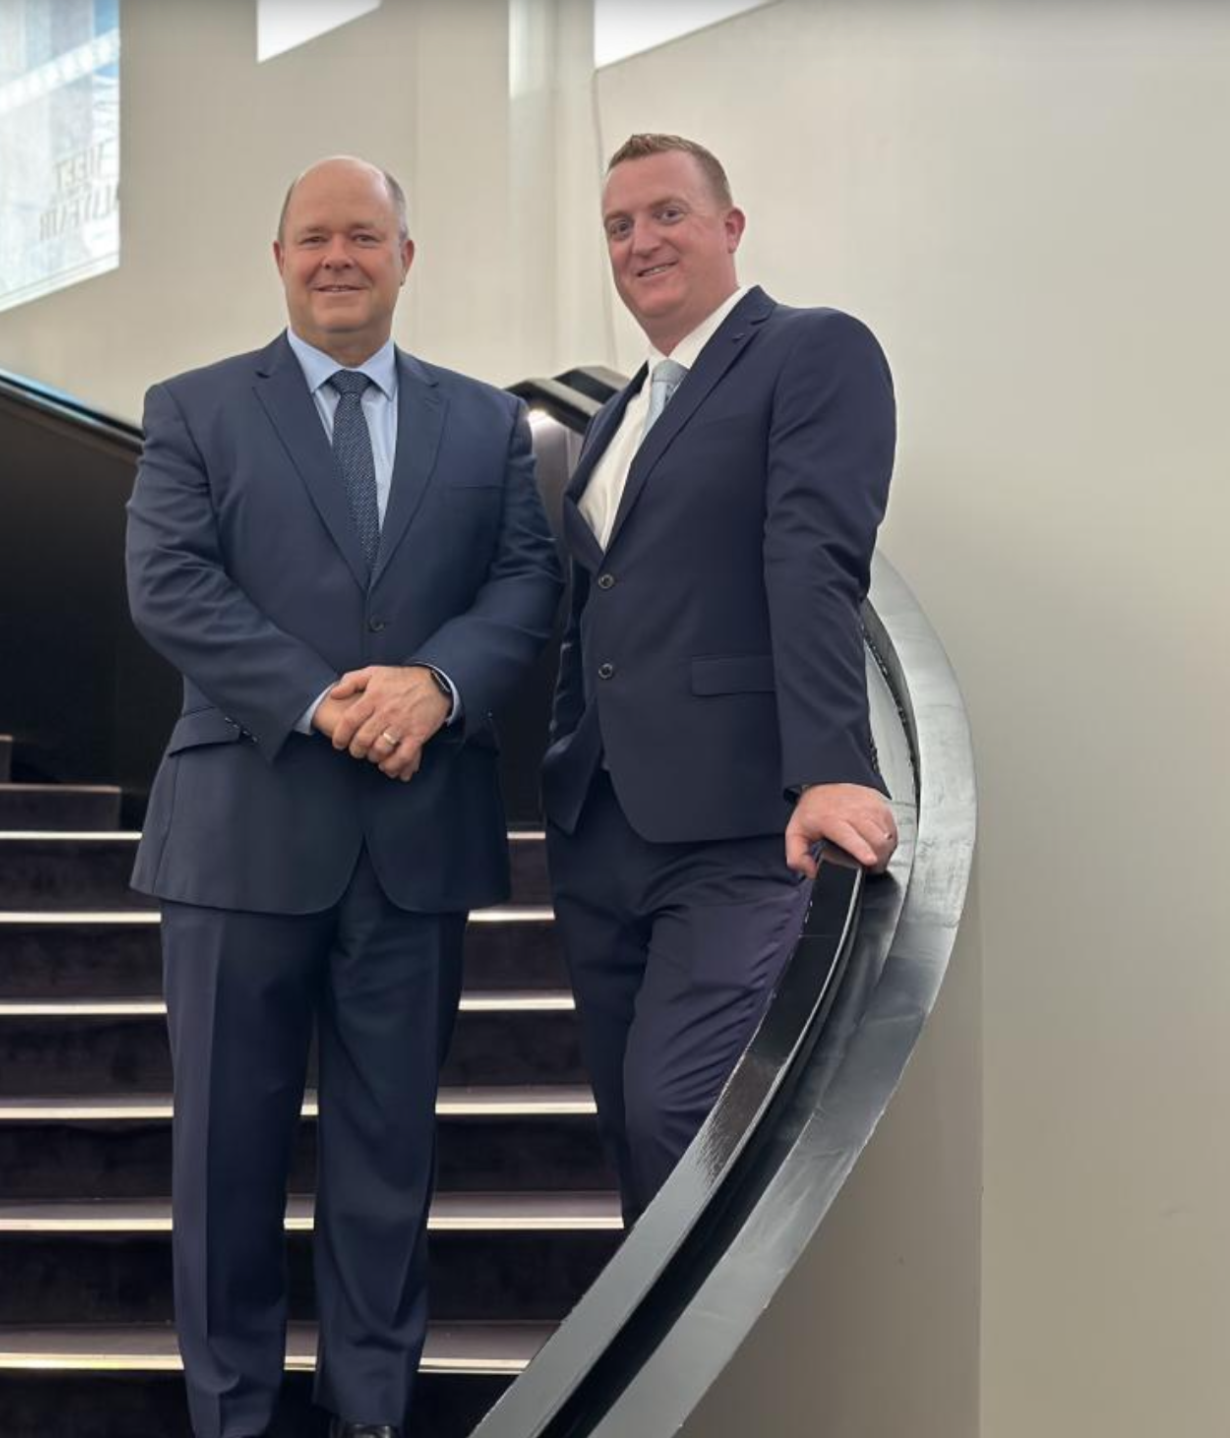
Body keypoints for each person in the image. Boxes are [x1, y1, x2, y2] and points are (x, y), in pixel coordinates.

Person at [125, 155, 560, 1438]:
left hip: (417, 844)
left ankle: (372, 1413)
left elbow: (526, 583)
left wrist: (436, 685)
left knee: (390, 1157)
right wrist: (329, 702)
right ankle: (235, 1418)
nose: (338, 257)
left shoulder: (486, 422)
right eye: (314, 236)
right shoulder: (195, 409)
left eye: (364, 235)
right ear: (279, 259)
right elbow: (171, 586)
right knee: (226, 1158)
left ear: (405, 258)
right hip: (239, 836)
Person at [543, 132, 900, 1228]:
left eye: (668, 214)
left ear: (730, 226)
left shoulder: (813, 350)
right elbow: (596, 607)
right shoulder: (617, 413)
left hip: (738, 822)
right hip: (603, 828)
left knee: (681, 1117)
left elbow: (814, 562)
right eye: (618, 225)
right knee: (626, 1130)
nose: (640, 241)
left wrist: (832, 767)